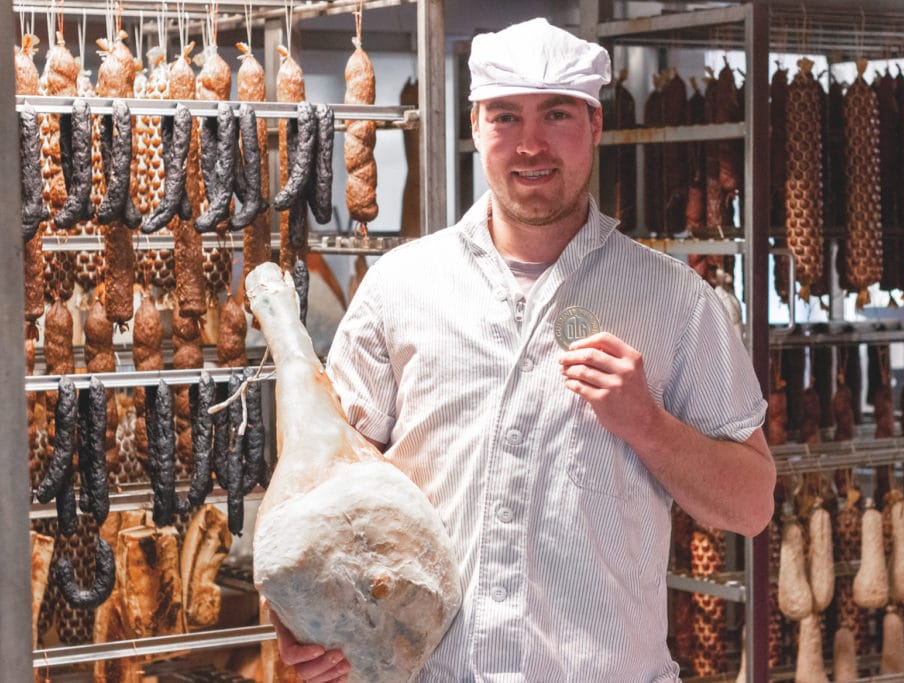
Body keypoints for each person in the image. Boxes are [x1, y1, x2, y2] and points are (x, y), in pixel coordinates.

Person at [270, 17, 776, 682]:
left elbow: (751, 503)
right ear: (477, 125)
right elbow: (320, 479)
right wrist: (298, 617)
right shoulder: (400, 287)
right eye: (507, 116)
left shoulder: (674, 300)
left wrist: (648, 425)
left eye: (557, 114)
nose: (532, 143)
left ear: (595, 124)